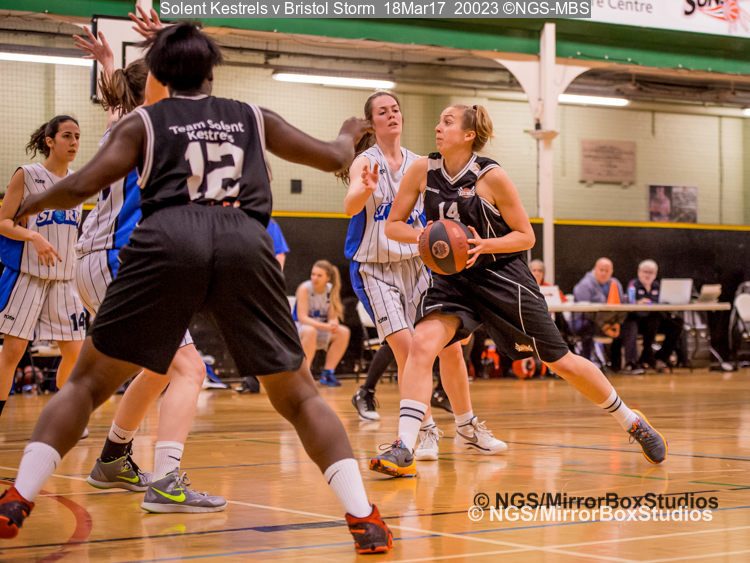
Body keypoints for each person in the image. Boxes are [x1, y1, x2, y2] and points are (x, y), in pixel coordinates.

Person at [0, 23, 391, 554]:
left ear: (158, 76)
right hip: (242, 240)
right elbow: (333, 157)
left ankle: (19, 496)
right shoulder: (252, 115)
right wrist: (349, 131)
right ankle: (363, 517)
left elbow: (80, 185)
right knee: (298, 394)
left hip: (166, 239)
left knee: (87, 384)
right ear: (212, 72)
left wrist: (29, 204)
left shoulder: (144, 121)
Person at [370, 103, 667, 477]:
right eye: (438, 120)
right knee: (423, 345)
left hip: (502, 279)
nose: (437, 127)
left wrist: (484, 245)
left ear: (468, 135)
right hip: (453, 281)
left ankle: (631, 421)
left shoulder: (491, 177)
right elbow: (393, 226)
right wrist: (426, 237)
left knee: (561, 362)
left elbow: (526, 236)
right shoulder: (422, 170)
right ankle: (404, 446)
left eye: (447, 122)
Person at [71, 23, 224, 512]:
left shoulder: (125, 125)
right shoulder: (156, 129)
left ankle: (114, 458)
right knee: (190, 369)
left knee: (159, 368)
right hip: (120, 259)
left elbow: (120, 100)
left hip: (96, 261)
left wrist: (109, 63)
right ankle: (166, 481)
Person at [344, 91, 505, 470]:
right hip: (374, 267)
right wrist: (363, 191)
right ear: (371, 123)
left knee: (450, 348)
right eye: (382, 112)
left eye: (395, 109)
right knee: (408, 350)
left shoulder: (421, 164)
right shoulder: (364, 162)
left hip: (419, 263)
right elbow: (350, 205)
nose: (391, 115)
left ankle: (467, 425)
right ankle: (426, 429)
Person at [0, 116, 88, 420]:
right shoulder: (27, 175)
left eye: (77, 136)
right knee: (12, 352)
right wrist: (33, 237)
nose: (74, 142)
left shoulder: (79, 182)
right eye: (67, 136)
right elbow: (3, 223)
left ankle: (62, 413)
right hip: (29, 276)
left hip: (65, 280)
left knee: (75, 354)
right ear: (50, 141)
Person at [293, 260, 350, 386]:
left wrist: (333, 323)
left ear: (328, 278)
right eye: (313, 274)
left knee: (343, 332)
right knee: (310, 331)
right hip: (299, 329)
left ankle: (328, 373)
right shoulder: (304, 288)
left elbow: (332, 316)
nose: (315, 278)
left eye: (319, 275)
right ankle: (305, 374)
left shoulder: (331, 289)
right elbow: (302, 318)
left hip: (318, 328)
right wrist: (325, 326)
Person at [621, 259, 684, 373]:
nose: (647, 275)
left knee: (677, 323)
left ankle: (661, 357)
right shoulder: (633, 285)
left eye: (651, 272)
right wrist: (638, 303)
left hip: (654, 322)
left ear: (655, 274)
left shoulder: (657, 286)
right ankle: (633, 362)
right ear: (639, 272)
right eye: (645, 272)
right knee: (635, 324)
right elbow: (629, 302)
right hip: (637, 321)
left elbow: (662, 303)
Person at [572, 257, 625, 370]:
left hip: (610, 321)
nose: (604, 273)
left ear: (611, 271)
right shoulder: (584, 285)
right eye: (601, 270)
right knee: (587, 328)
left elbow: (622, 305)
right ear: (595, 269)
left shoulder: (615, 283)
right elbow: (585, 310)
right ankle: (586, 365)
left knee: (628, 327)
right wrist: (604, 326)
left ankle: (617, 366)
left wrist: (618, 323)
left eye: (607, 270)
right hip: (586, 320)